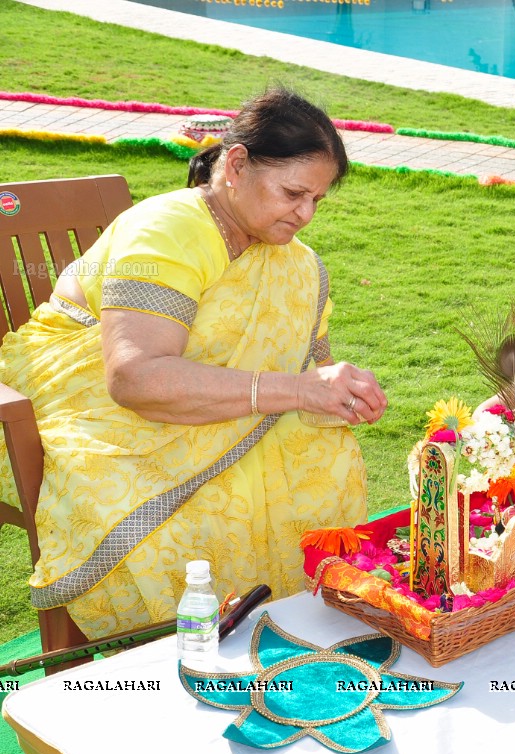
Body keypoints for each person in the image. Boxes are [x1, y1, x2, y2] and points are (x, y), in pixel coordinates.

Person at [0, 88, 387, 640]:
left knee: (323, 456)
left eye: (317, 200)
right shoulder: (170, 229)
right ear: (236, 165)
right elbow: (133, 377)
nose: (305, 214)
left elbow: (310, 361)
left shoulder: (292, 260)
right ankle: (193, 640)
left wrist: (338, 389)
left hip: (209, 401)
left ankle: (279, 630)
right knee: (207, 509)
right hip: (93, 405)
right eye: (293, 193)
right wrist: (299, 391)